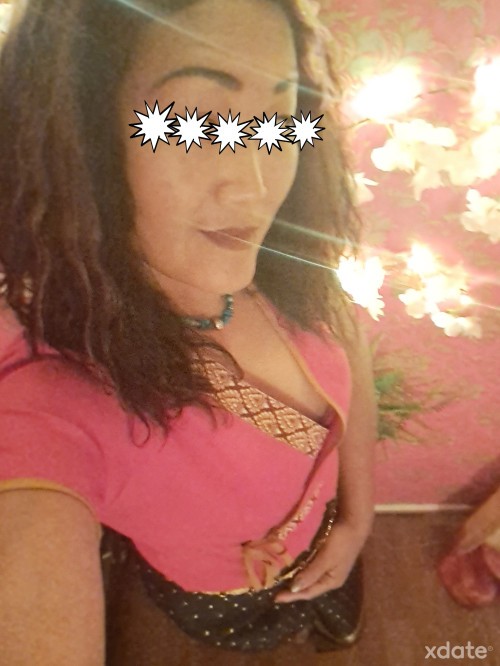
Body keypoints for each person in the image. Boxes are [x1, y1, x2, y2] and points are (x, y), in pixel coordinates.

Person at [0, 0, 377, 662]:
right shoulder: (56, 390)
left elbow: (353, 365)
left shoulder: (293, 272)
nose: (256, 189)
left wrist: (356, 520)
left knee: (333, 607)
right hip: (215, 593)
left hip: (331, 538)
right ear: (80, 136)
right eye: (193, 122)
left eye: (282, 120)